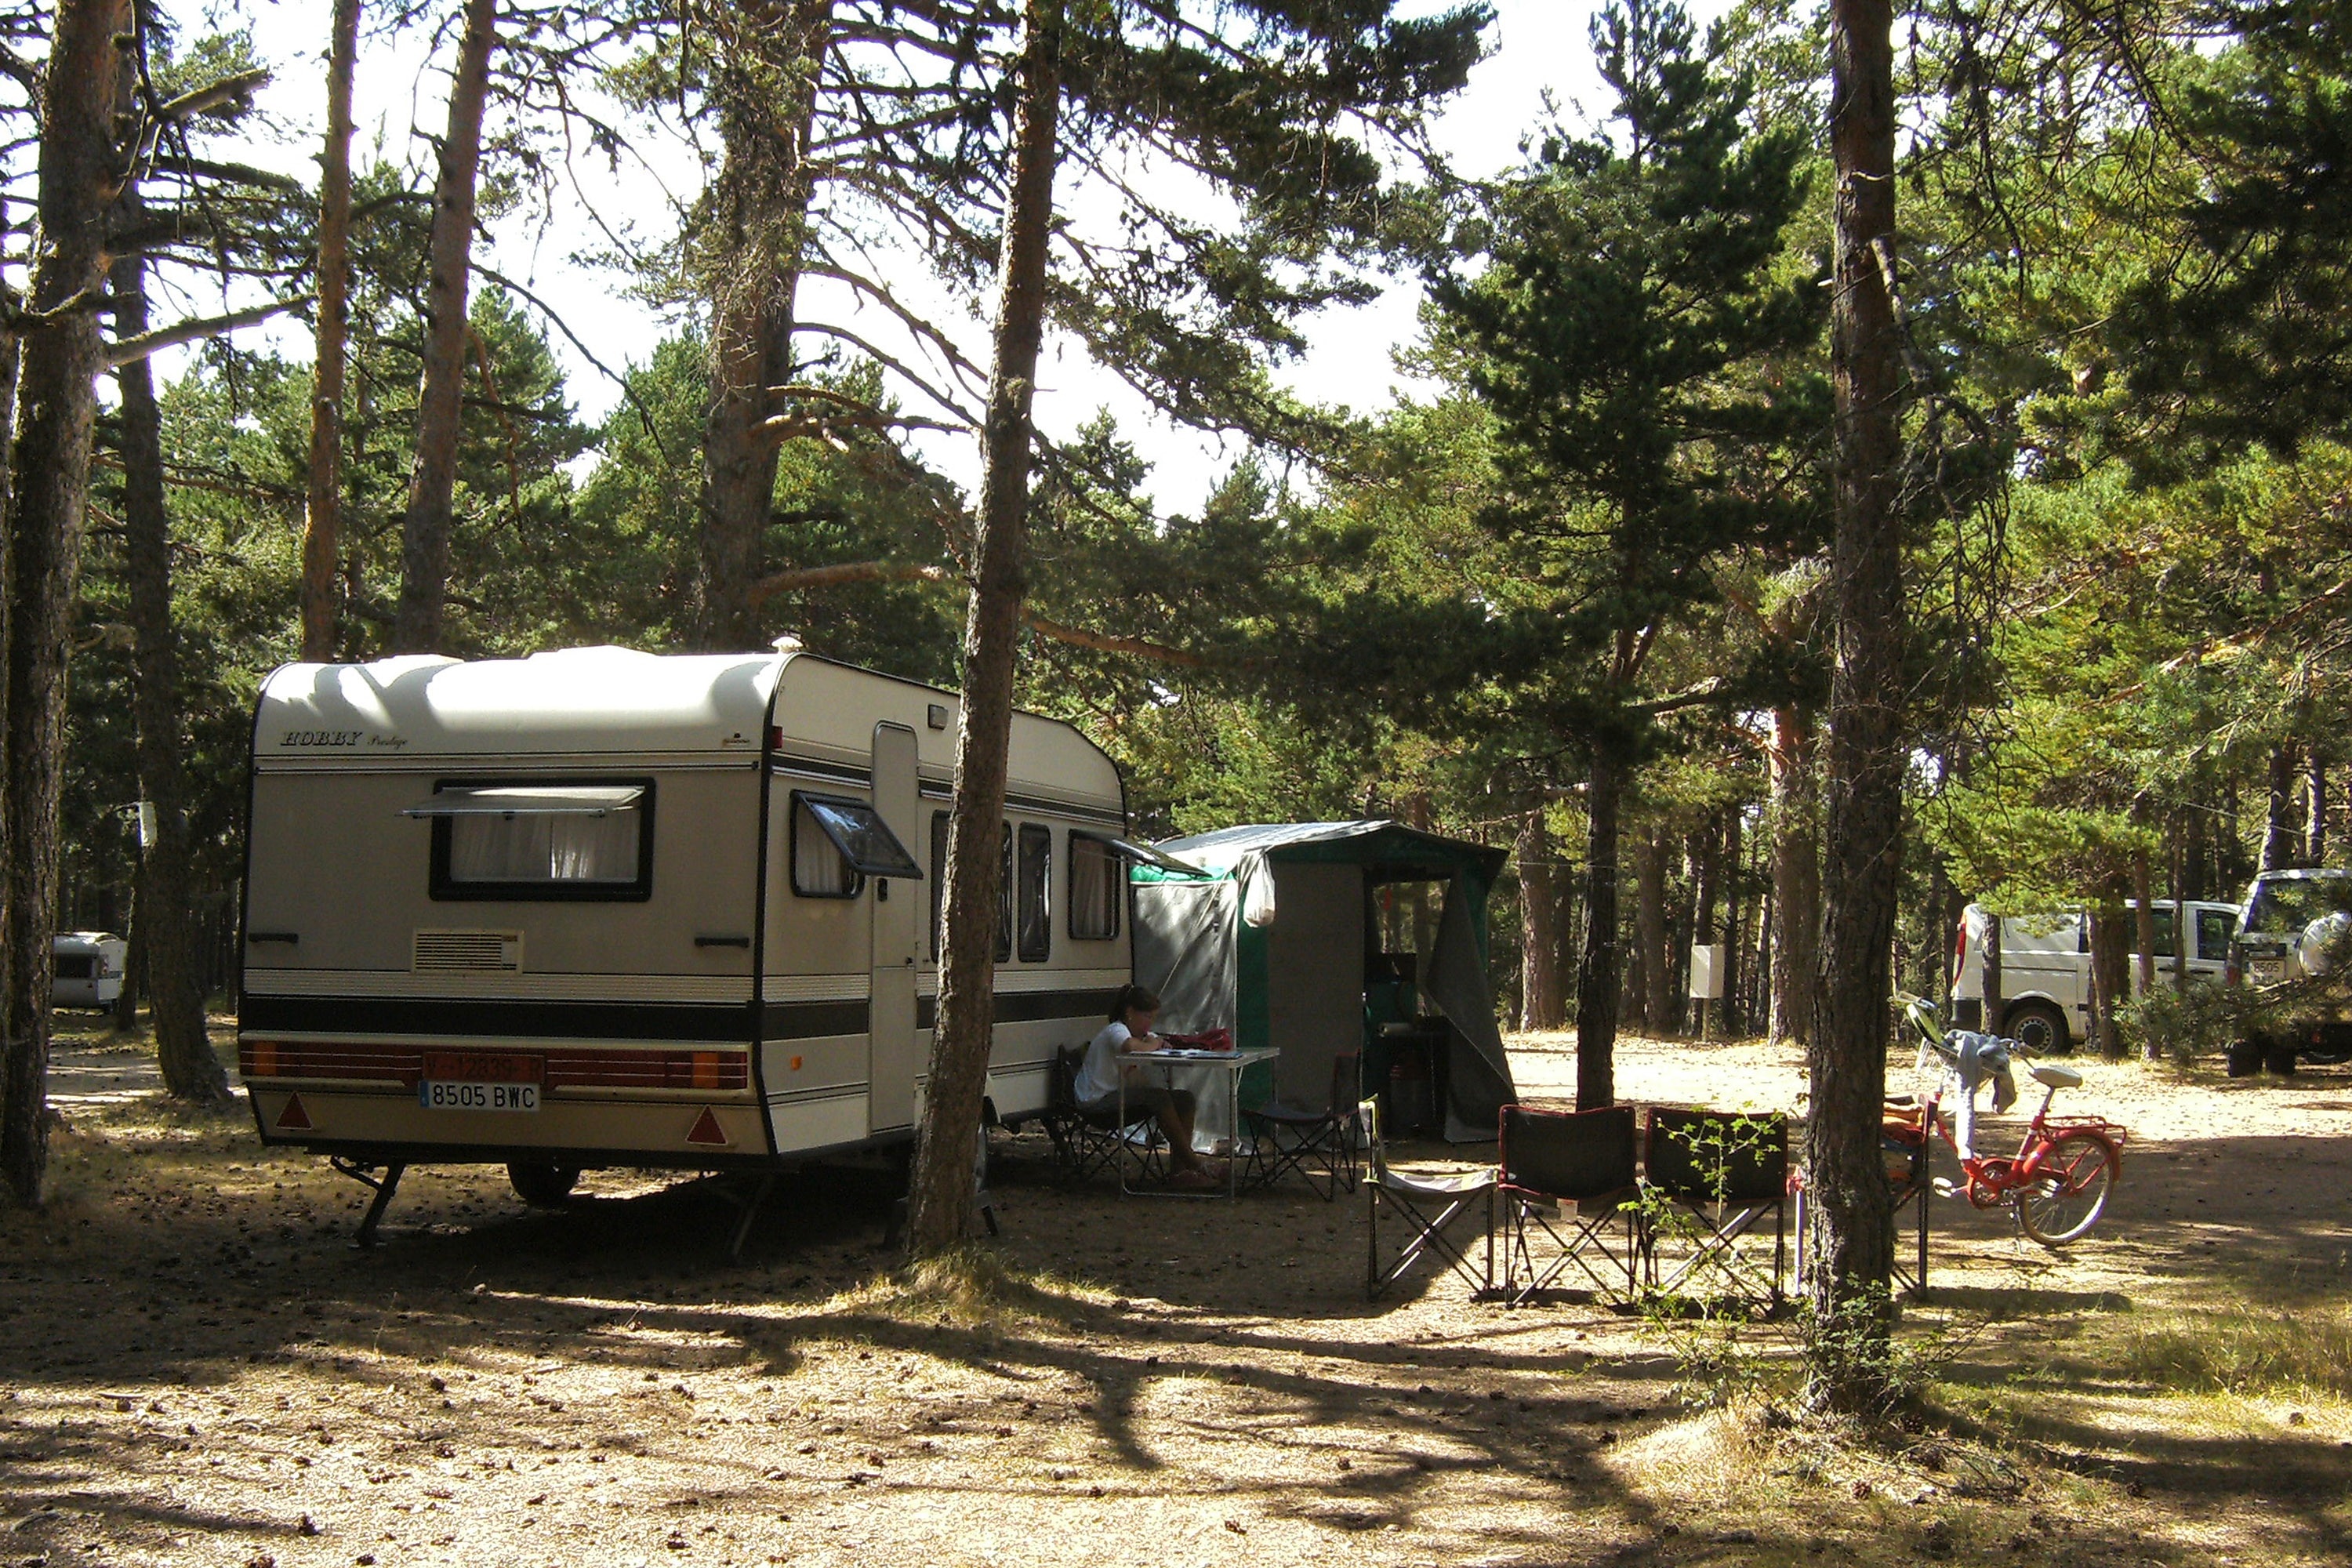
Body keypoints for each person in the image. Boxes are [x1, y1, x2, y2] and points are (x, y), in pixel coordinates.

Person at [1074, 983, 1223, 1190]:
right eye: (1146, 1017)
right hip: (1097, 1102)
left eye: (1153, 1018)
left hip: (1116, 1097)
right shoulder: (1116, 1030)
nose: (1149, 1023)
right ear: (1129, 1012)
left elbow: (1147, 1051)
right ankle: (1193, 1162)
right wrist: (1153, 1044)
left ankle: (1179, 1173)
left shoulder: (1137, 1034)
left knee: (1184, 1098)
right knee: (1159, 1098)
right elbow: (1129, 1047)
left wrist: (1156, 1041)